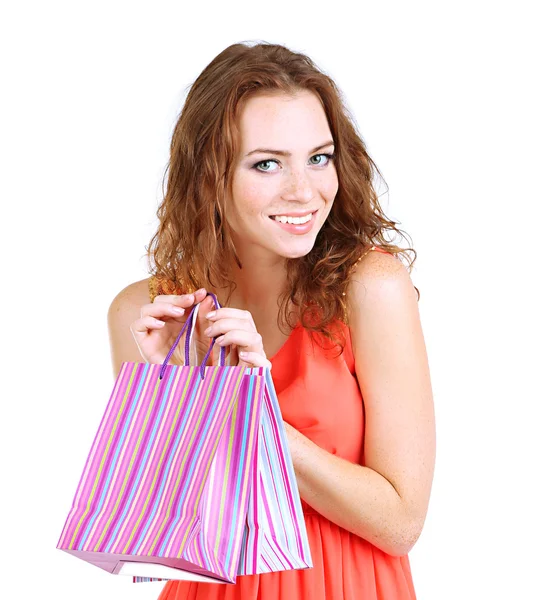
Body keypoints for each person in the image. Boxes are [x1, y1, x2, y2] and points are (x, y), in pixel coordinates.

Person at [107, 41, 436, 600]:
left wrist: (251, 417)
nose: (304, 190)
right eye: (266, 163)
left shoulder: (371, 289)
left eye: (319, 156)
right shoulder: (147, 312)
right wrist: (178, 394)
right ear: (210, 174)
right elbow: (162, 531)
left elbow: (401, 522)